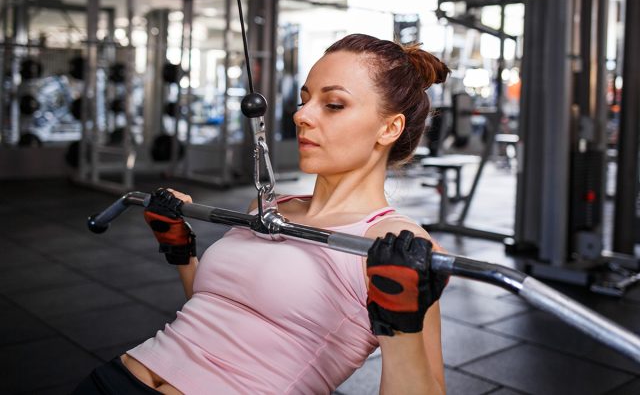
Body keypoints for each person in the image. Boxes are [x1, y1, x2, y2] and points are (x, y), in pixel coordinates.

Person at [73, 33, 451, 395]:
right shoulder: (268, 207)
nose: (302, 116)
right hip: (116, 377)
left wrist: (402, 325)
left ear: (389, 127)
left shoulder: (395, 244)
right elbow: (215, 309)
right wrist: (180, 251)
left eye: (333, 104)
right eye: (305, 100)